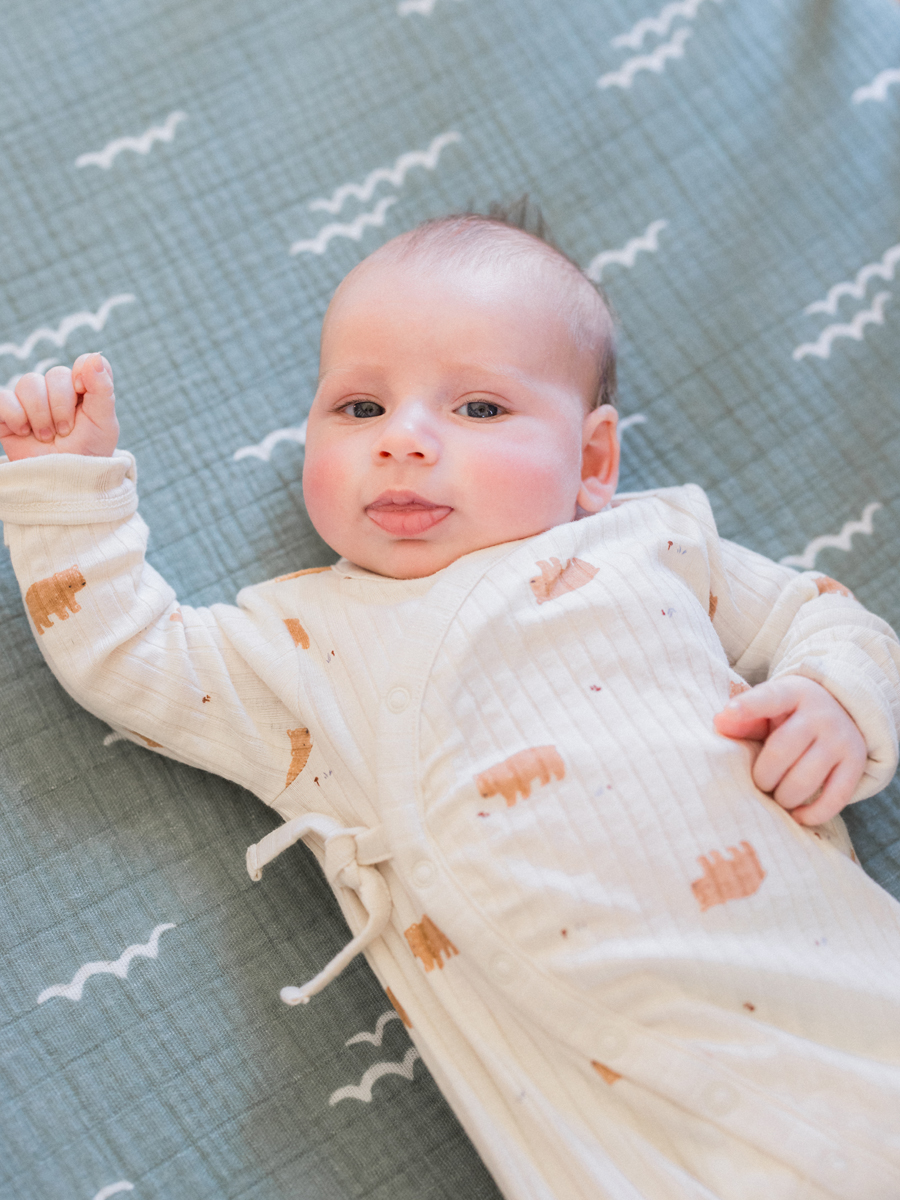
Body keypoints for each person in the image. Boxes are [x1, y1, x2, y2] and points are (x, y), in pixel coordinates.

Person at [1, 212, 900, 1199]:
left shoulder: (654, 544)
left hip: (832, 992)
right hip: (617, 1127)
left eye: (476, 409)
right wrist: (65, 487)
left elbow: (831, 619)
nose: (405, 443)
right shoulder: (297, 640)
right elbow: (132, 657)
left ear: (594, 462)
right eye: (358, 409)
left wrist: (835, 698)